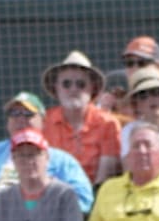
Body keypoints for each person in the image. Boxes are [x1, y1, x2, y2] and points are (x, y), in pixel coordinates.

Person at [0, 93, 95, 221]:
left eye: (28, 114)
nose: (20, 119)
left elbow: (82, 199)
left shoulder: (62, 160)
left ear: (43, 121)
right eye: (15, 113)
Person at [40, 52, 122, 186]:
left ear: (92, 88)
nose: (73, 89)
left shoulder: (108, 123)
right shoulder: (44, 122)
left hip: (95, 197)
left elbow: (104, 177)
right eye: (66, 84)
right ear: (56, 88)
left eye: (81, 84)